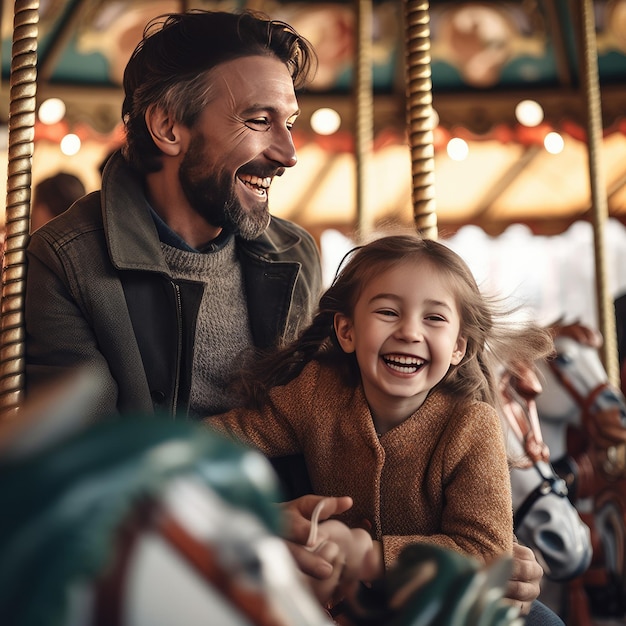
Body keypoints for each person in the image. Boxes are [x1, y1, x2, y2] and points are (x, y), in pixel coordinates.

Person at [23, 9, 554, 621]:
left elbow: (326, 412)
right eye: (258, 121)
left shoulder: (291, 252)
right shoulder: (70, 260)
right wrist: (249, 523)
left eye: (291, 123)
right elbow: (91, 470)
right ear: (168, 127)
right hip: (153, 547)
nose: (289, 152)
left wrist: (447, 552)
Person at [207, 234, 555, 605]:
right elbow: (215, 444)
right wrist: (258, 514)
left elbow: (488, 552)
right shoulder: (316, 393)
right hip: (339, 602)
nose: (409, 332)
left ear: (458, 346)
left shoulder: (472, 427)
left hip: (435, 607)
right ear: (347, 331)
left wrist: (370, 556)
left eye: (434, 318)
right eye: (388, 312)